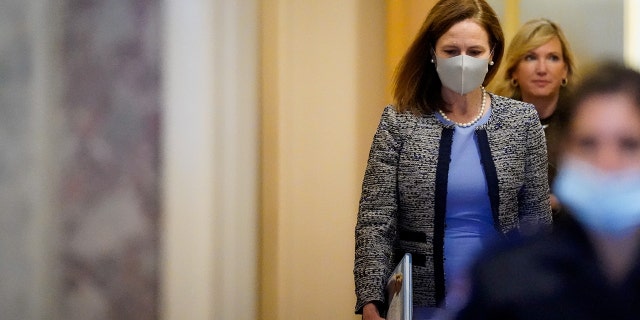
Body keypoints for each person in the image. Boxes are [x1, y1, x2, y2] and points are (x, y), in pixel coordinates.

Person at [353, 1, 552, 319]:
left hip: (503, 298)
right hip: (420, 301)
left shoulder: (521, 121)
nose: (463, 62)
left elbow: (536, 221)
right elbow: (376, 222)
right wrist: (370, 300)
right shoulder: (399, 121)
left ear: (492, 54)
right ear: (433, 53)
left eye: (474, 51)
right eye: (451, 50)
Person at [454, 62, 640, 320]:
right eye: (588, 144)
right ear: (563, 153)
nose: (607, 164)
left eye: (629, 145)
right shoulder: (505, 273)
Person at [492, 18, 577, 214]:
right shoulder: (491, 122)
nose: (541, 69)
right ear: (513, 71)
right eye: (530, 57)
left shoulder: (581, 125)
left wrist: (559, 202)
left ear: (565, 70)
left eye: (553, 58)